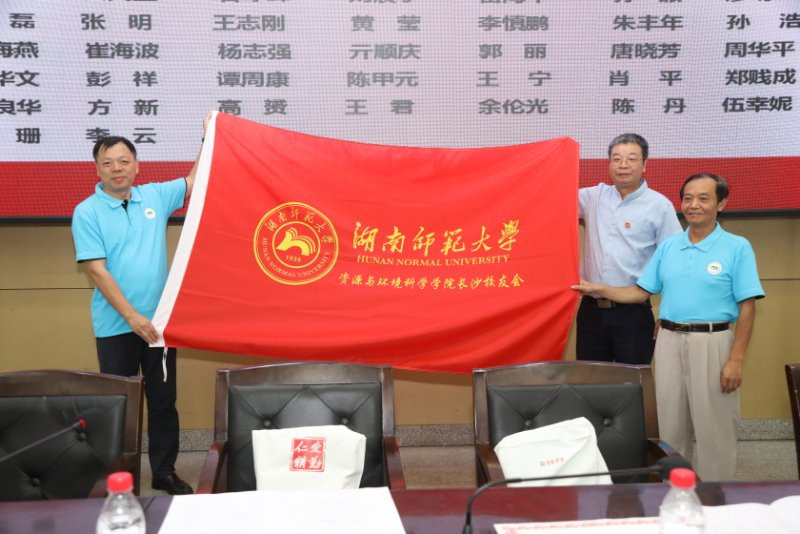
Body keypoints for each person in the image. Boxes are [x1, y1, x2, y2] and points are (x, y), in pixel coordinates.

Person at [572, 173, 764, 480]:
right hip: (668, 340)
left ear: (721, 204)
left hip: (713, 342)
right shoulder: (669, 247)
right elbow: (639, 293)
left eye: (703, 198)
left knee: (714, 427)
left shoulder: (736, 247)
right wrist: (596, 288)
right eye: (688, 198)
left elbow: (748, 307)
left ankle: (715, 496)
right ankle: (674, 492)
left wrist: (736, 359)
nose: (694, 205)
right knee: (670, 425)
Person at [71, 117, 208, 494]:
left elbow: (194, 180)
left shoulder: (154, 197)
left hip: (159, 326)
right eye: (107, 163)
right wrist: (131, 316)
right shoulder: (87, 211)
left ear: (136, 165)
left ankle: (164, 472)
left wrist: (207, 136)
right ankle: (123, 480)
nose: (116, 169)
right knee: (120, 407)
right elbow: (96, 271)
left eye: (123, 161)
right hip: (116, 326)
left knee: (163, 402)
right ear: (97, 169)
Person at [577, 133, 683, 365]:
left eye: (631, 159)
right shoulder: (592, 197)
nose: (623, 165)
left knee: (632, 381)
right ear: (609, 164)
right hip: (590, 312)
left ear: (644, 165)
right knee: (590, 380)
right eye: (616, 159)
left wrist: (669, 314)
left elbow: (675, 263)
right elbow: (551, 200)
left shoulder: (659, 206)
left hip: (633, 314)